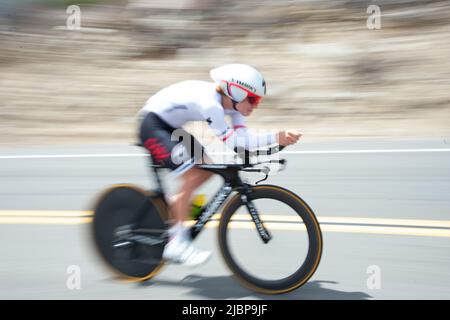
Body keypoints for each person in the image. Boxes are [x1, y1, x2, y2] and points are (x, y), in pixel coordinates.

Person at [138, 64, 302, 267]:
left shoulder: (234, 105)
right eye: (253, 98)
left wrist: (275, 141)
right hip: (152, 124)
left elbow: (243, 139)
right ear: (235, 92)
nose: (256, 104)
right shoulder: (211, 105)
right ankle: (175, 243)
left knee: (207, 169)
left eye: (258, 99)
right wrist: (277, 136)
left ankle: (178, 205)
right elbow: (236, 143)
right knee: (192, 175)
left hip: (171, 127)